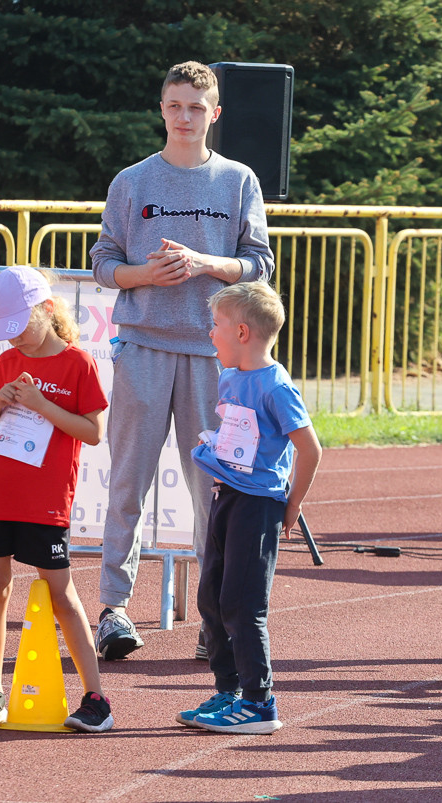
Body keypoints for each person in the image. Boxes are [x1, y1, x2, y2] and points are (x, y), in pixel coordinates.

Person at [90, 60, 275, 660]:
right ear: (162, 110)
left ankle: (213, 618)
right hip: (142, 347)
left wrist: (206, 263)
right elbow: (102, 263)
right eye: (175, 106)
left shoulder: (239, 180)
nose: (185, 117)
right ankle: (114, 610)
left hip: (212, 354)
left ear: (214, 113)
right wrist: (144, 274)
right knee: (128, 483)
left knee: (213, 492)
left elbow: (259, 264)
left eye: (197, 107)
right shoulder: (132, 181)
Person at [0, 266, 113, 733]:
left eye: (20, 328)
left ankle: (95, 699)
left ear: (47, 310)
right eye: (5, 332)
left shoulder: (77, 363)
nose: (14, 341)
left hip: (44, 501)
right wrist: (0, 401)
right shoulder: (6, 362)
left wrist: (42, 404)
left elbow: (93, 432)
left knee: (62, 593)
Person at [177, 282, 321, 734]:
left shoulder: (276, 386)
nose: (210, 332)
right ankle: (228, 692)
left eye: (216, 324)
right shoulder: (229, 377)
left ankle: (260, 702)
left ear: (242, 332)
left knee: (244, 604)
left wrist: (291, 502)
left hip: (259, 505)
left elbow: (310, 448)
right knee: (213, 597)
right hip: (226, 496)